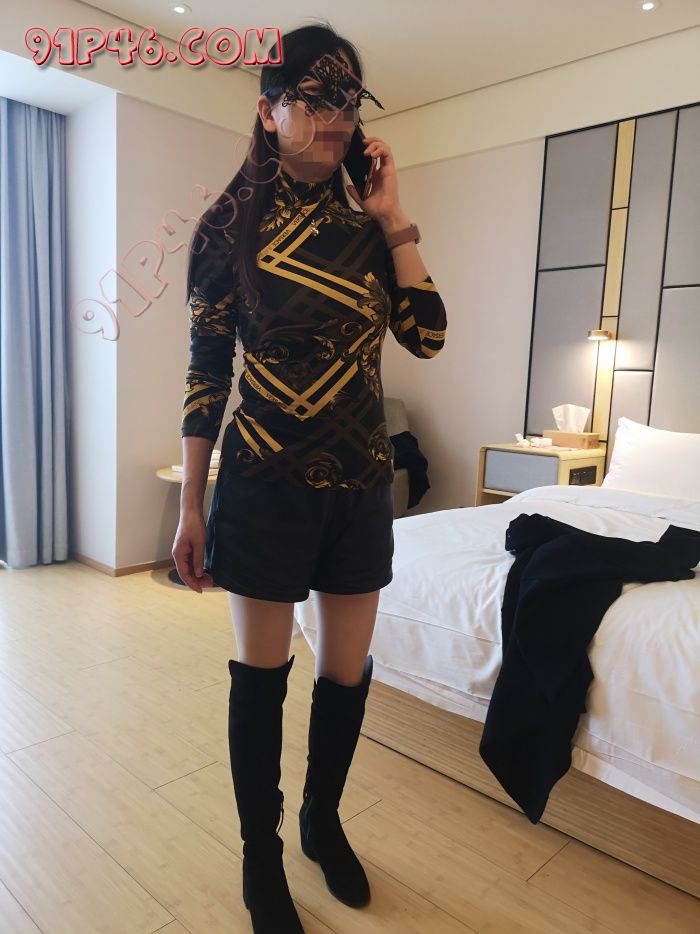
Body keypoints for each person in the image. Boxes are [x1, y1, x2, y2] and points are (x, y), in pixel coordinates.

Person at [172, 21, 447, 934]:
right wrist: (191, 505)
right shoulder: (226, 229)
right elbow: (206, 373)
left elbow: (428, 335)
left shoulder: (369, 230)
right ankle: (262, 855)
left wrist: (393, 216)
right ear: (269, 111)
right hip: (261, 485)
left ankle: (323, 824)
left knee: (345, 675)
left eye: (348, 101)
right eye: (315, 98)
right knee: (260, 682)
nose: (335, 118)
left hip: (362, 485)